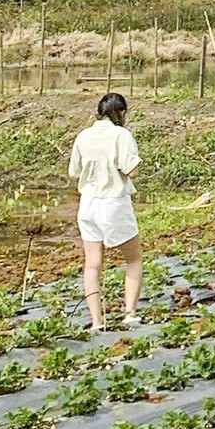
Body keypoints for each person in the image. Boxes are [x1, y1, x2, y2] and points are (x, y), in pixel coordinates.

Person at [68, 92, 143, 332]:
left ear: (98, 113)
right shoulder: (122, 135)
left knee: (92, 264)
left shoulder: (83, 136)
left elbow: (74, 172)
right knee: (133, 259)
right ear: (123, 113)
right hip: (113, 203)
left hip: (88, 204)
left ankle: (97, 322)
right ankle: (130, 314)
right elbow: (132, 171)